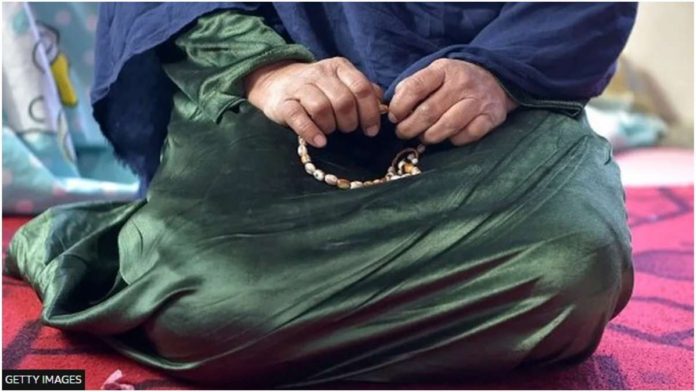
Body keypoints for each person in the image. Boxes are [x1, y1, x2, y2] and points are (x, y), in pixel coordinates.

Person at [5, 2, 637, 388]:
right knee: (211, 313)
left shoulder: (500, 82)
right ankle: (112, 241)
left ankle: (291, 314)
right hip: (268, 95)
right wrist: (264, 68)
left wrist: (499, 71)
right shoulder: (264, 73)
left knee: (573, 268)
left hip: (494, 112)